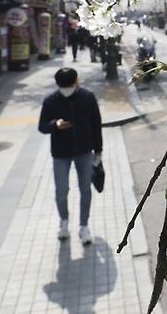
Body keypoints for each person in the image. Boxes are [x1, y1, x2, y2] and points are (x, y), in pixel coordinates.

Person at [38, 68, 102, 245]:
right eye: (63, 86)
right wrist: (54, 124)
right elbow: (42, 126)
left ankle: (84, 226)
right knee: (61, 189)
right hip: (60, 153)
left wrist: (98, 150)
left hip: (84, 150)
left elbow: (96, 124)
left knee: (85, 189)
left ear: (76, 82)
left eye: (69, 85)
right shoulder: (50, 101)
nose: (66, 88)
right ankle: (64, 221)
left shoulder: (87, 97)